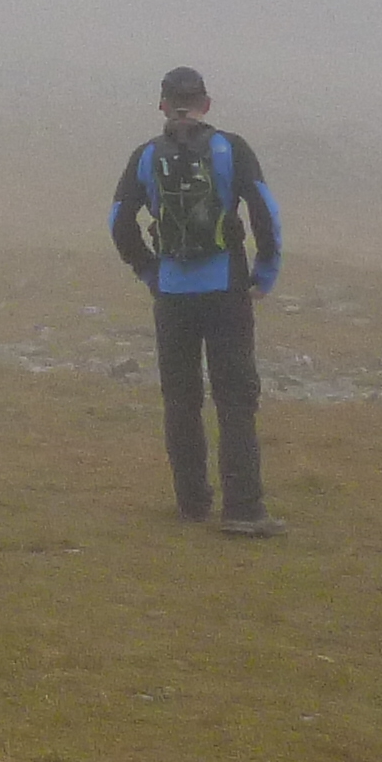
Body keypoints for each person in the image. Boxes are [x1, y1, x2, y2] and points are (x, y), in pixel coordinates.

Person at [112, 66, 280, 536]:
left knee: (181, 400)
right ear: (206, 103)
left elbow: (119, 223)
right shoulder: (232, 149)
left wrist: (149, 270)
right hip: (226, 288)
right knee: (235, 399)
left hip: (172, 294)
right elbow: (266, 213)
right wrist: (264, 273)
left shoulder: (145, 157)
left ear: (163, 104)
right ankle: (244, 509)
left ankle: (191, 503)